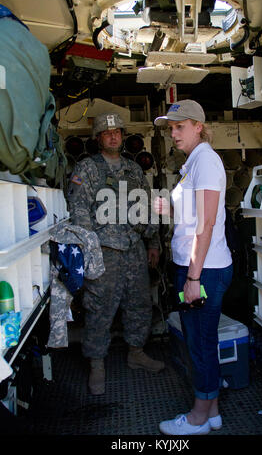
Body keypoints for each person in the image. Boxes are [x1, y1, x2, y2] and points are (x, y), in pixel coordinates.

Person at [67, 112, 164, 395]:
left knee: (139, 303)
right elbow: (79, 211)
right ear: (98, 138)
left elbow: (146, 207)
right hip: (103, 251)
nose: (113, 136)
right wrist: (89, 249)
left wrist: (153, 242)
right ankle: (97, 364)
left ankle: (136, 352)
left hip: (133, 248)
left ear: (122, 136)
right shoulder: (86, 169)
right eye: (107, 132)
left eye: (117, 132)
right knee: (99, 309)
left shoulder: (134, 170)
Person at [153, 100, 233, 435]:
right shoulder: (193, 163)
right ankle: (212, 410)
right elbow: (195, 217)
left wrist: (193, 277)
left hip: (204, 270)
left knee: (198, 343)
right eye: (170, 128)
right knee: (202, 339)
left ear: (198, 126)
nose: (173, 133)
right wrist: (168, 211)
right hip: (198, 266)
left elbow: (208, 222)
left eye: (179, 126)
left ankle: (198, 417)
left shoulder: (207, 162)